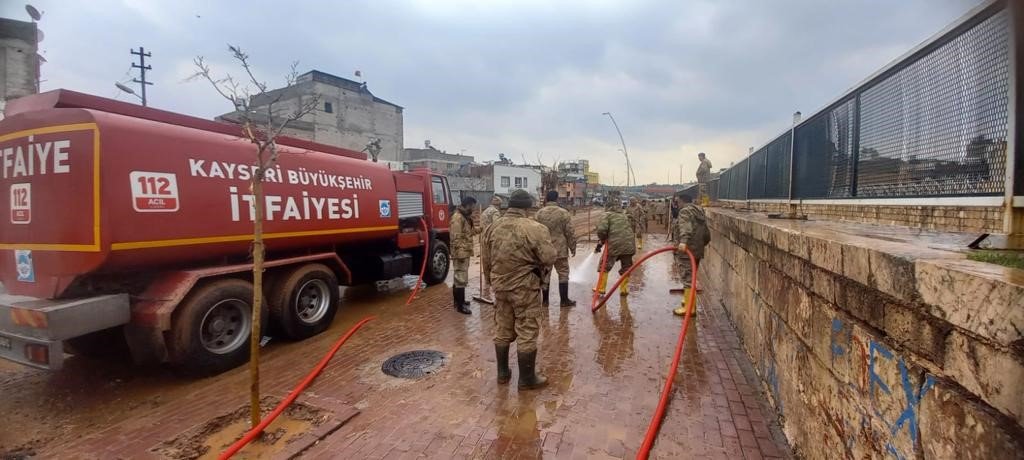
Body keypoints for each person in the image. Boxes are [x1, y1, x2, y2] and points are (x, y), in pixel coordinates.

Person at [481, 189, 557, 389]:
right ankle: (527, 379)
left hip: (500, 287)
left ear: (510, 206)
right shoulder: (535, 228)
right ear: (527, 208)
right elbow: (549, 257)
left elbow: (486, 260)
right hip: (525, 289)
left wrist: (491, 281)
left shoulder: (491, 228)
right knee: (527, 329)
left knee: (502, 327)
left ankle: (503, 373)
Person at [534, 190, 577, 307]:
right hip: (560, 249)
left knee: (545, 273)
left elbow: (534, 232)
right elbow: (570, 232)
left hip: (544, 250)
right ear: (557, 199)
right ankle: (564, 301)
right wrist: (573, 247)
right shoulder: (564, 213)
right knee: (563, 273)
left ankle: (545, 301)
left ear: (547, 199)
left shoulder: (539, 214)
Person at [671, 192, 711, 316]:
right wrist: (702, 244)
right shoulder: (699, 211)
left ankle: (689, 309)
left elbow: (685, 228)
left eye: (677, 202)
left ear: (682, 201)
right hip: (697, 249)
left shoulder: (684, 212)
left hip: (686, 251)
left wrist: (683, 242)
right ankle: (689, 302)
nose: (676, 205)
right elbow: (706, 232)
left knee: (687, 277)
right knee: (692, 277)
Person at [595, 194, 636, 296]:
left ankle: (601, 288)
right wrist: (602, 242)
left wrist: (602, 239)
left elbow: (602, 230)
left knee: (604, 265)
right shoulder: (624, 215)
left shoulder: (607, 215)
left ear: (607, 207)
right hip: (629, 244)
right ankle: (624, 289)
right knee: (626, 266)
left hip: (615, 244)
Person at [449, 196, 478, 315]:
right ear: (468, 205)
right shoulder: (458, 217)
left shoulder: (465, 217)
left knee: (460, 278)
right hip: (460, 253)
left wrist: (483, 229)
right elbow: (455, 237)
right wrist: (460, 254)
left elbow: (469, 232)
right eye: (473, 206)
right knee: (461, 278)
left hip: (464, 252)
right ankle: (460, 306)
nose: (474, 208)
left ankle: (459, 301)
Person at [479, 195, 503, 297]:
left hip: (483, 239)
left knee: (486, 262)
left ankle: (486, 283)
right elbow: (496, 226)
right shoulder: (495, 212)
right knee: (494, 262)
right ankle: (494, 286)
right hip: (492, 240)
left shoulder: (484, 211)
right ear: (498, 204)